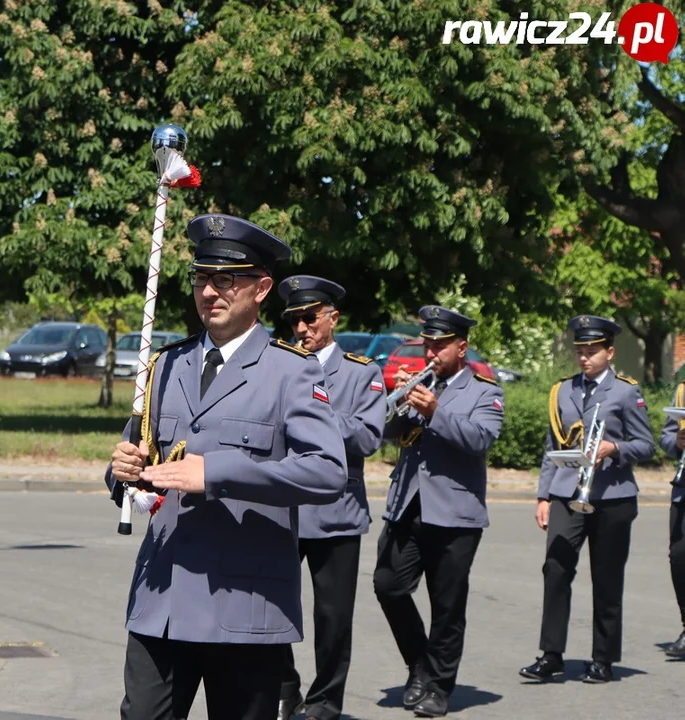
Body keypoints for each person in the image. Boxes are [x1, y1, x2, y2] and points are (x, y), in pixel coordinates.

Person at [105, 213, 350, 720]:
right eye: (201, 278)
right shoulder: (164, 365)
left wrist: (218, 472)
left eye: (226, 279)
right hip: (163, 600)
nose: (209, 292)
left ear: (261, 288)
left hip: (244, 603)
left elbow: (328, 470)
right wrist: (122, 471)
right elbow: (139, 463)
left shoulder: (292, 371)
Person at [374, 305, 504, 718]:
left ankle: (439, 687)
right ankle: (419, 665)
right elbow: (389, 430)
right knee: (388, 585)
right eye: (428, 343)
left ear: (461, 347)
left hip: (455, 513)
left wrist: (435, 411)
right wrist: (392, 406)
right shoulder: (421, 383)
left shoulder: (486, 390)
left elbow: (480, 438)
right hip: (407, 505)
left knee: (447, 607)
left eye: (440, 345)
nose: (431, 352)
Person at [519, 315, 655, 684]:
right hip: (567, 491)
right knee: (556, 569)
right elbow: (552, 447)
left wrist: (614, 448)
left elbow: (646, 444)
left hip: (612, 495)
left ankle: (603, 659)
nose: (584, 357)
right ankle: (551, 655)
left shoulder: (626, 391)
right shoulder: (562, 390)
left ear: (609, 352)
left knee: (607, 578)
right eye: (580, 351)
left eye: (592, 351)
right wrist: (543, 496)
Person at [274, 275, 387, 720]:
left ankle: (325, 702)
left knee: (332, 618)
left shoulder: (362, 373)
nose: (301, 329)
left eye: (309, 318)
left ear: (332, 318)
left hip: (335, 511)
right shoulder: (280, 365)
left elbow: (369, 435)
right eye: (294, 321)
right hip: (283, 506)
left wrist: (318, 419)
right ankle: (285, 687)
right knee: (272, 605)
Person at [659, 381, 685, 658]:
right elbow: (665, 436)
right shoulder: (682, 391)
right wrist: (676, 442)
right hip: (684, 490)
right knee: (679, 557)